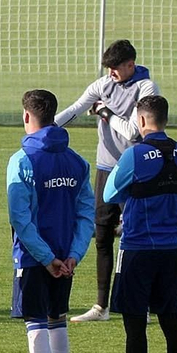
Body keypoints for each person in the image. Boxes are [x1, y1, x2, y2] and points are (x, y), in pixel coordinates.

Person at [53, 39, 160, 324]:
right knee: (102, 236)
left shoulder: (146, 88)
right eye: (109, 69)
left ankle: (142, 304)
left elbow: (131, 133)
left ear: (130, 65)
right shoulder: (103, 84)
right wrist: (45, 127)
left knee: (137, 239)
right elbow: (75, 108)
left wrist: (104, 112)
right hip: (106, 169)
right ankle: (101, 307)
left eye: (116, 69)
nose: (111, 74)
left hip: (136, 169)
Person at [7, 90, 93, 353]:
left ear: (27, 116)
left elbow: (21, 218)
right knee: (57, 321)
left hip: (34, 259)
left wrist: (45, 258)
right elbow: (86, 212)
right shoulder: (77, 161)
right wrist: (73, 255)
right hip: (65, 258)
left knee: (36, 323)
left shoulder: (22, 160)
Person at [103, 95, 177, 353]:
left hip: (139, 248)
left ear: (141, 121)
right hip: (172, 249)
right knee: (172, 324)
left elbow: (109, 193)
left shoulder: (135, 154)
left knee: (135, 326)